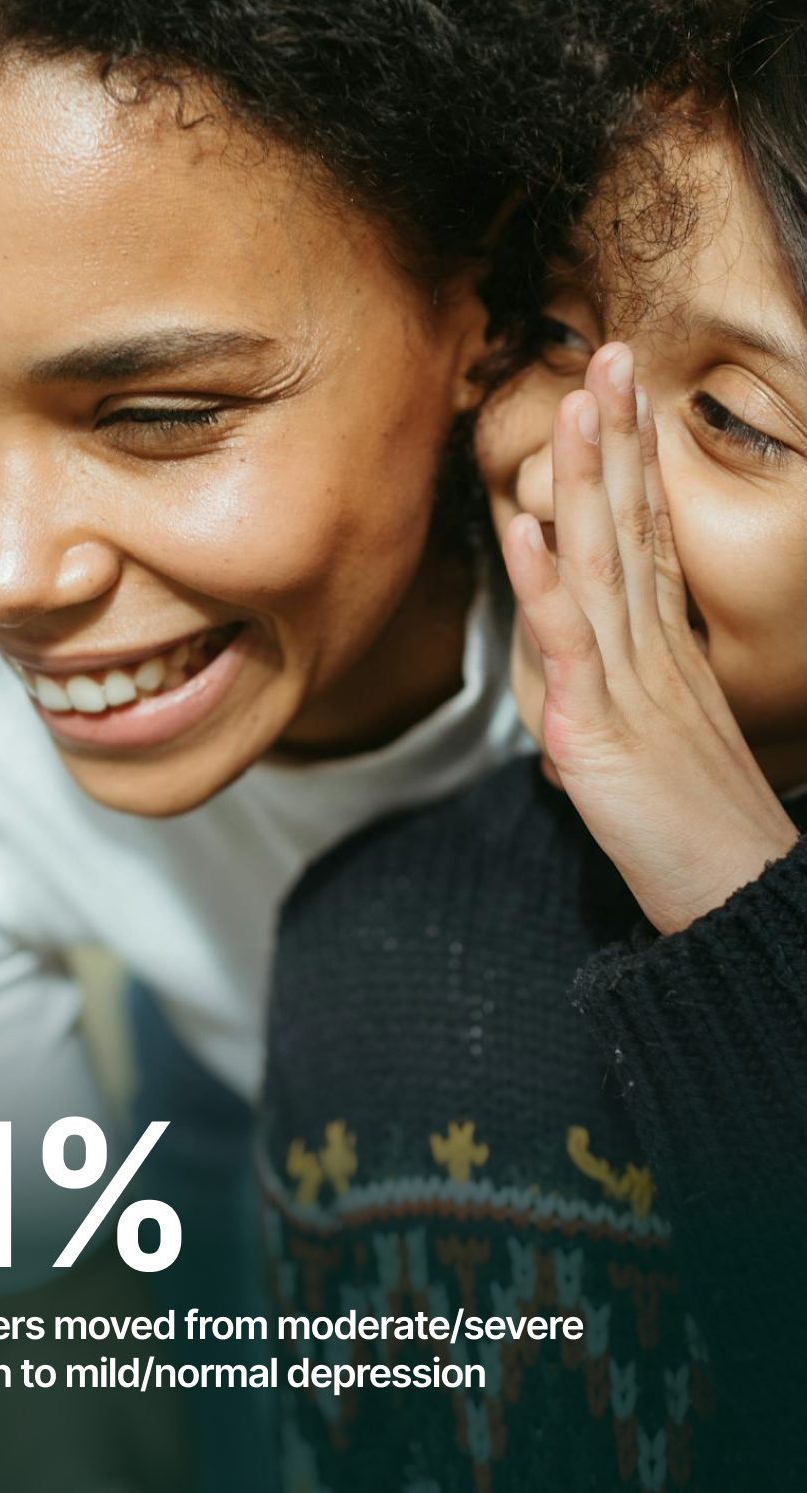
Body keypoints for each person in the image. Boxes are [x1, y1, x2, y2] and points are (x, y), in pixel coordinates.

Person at [0, 2, 724, 1488]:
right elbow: (53, 1324)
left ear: (484, 310)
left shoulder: (703, 641)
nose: (3, 575)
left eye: (159, 414)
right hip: (220, 1099)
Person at [258, 2, 807, 1489]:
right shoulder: (367, 947)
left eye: (742, 419)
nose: (574, 457)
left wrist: (735, 890)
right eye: (561, 332)